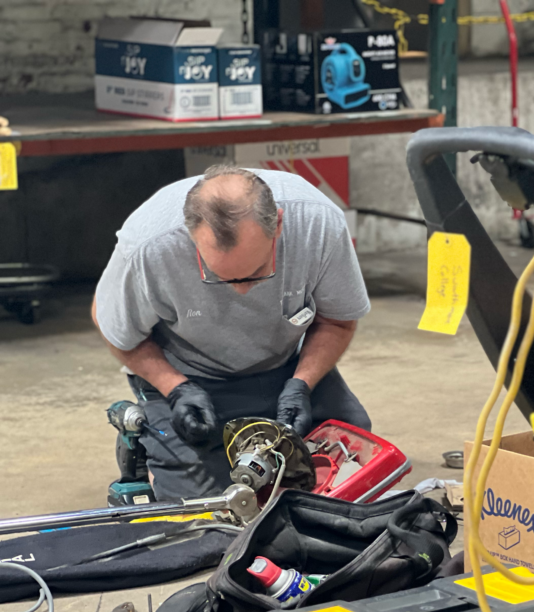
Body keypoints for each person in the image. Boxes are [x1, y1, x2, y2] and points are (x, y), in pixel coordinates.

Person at [93, 164, 370, 500]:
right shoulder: (149, 246)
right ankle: (145, 445)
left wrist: (302, 384)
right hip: (189, 375)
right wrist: (176, 388)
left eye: (256, 274)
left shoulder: (317, 224)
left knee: (354, 468)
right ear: (190, 234)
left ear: (279, 224)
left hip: (286, 367)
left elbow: (337, 321)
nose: (241, 292)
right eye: (220, 276)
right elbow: (116, 330)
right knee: (209, 513)